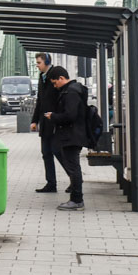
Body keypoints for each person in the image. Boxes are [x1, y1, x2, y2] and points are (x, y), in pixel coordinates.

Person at [44, 66, 87, 211]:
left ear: (62, 78)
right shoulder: (73, 90)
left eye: (55, 83)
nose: (55, 86)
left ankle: (76, 200)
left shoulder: (71, 92)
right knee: (73, 166)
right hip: (73, 134)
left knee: (73, 167)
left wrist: (53, 117)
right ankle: (76, 198)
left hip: (71, 135)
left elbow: (70, 115)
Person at [31, 52, 66, 193]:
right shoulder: (41, 77)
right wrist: (34, 120)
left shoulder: (55, 75)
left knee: (58, 151)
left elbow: (62, 100)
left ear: (46, 62)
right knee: (46, 153)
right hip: (45, 122)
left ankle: (75, 178)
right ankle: (51, 183)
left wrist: (58, 117)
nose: (37, 66)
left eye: (39, 63)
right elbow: (40, 101)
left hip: (55, 121)